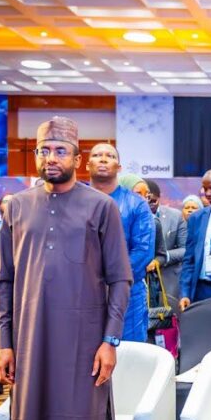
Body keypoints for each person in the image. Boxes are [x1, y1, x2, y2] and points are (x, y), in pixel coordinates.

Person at [0, 117, 131, 420]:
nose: (51, 158)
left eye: (60, 151)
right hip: (29, 340)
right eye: (44, 151)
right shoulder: (16, 207)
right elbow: (3, 280)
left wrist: (110, 340)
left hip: (85, 343)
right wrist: (4, 341)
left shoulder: (101, 207)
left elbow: (120, 279)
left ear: (77, 157)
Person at [88, 144, 156, 343]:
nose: (103, 159)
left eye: (110, 156)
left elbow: (143, 251)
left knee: (127, 353)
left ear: (119, 167)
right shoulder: (74, 202)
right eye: (97, 155)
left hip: (126, 294)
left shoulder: (137, 204)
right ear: (86, 164)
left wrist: (110, 279)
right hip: (81, 294)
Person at [180, 169, 211, 310]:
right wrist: (185, 293)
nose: (208, 193)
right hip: (202, 290)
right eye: (205, 189)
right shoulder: (197, 218)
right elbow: (189, 259)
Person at [144, 179, 187, 304]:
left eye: (153, 200)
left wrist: (162, 258)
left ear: (159, 198)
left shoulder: (175, 216)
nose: (150, 204)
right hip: (138, 279)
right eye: (146, 199)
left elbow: (185, 250)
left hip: (167, 278)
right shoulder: (131, 216)